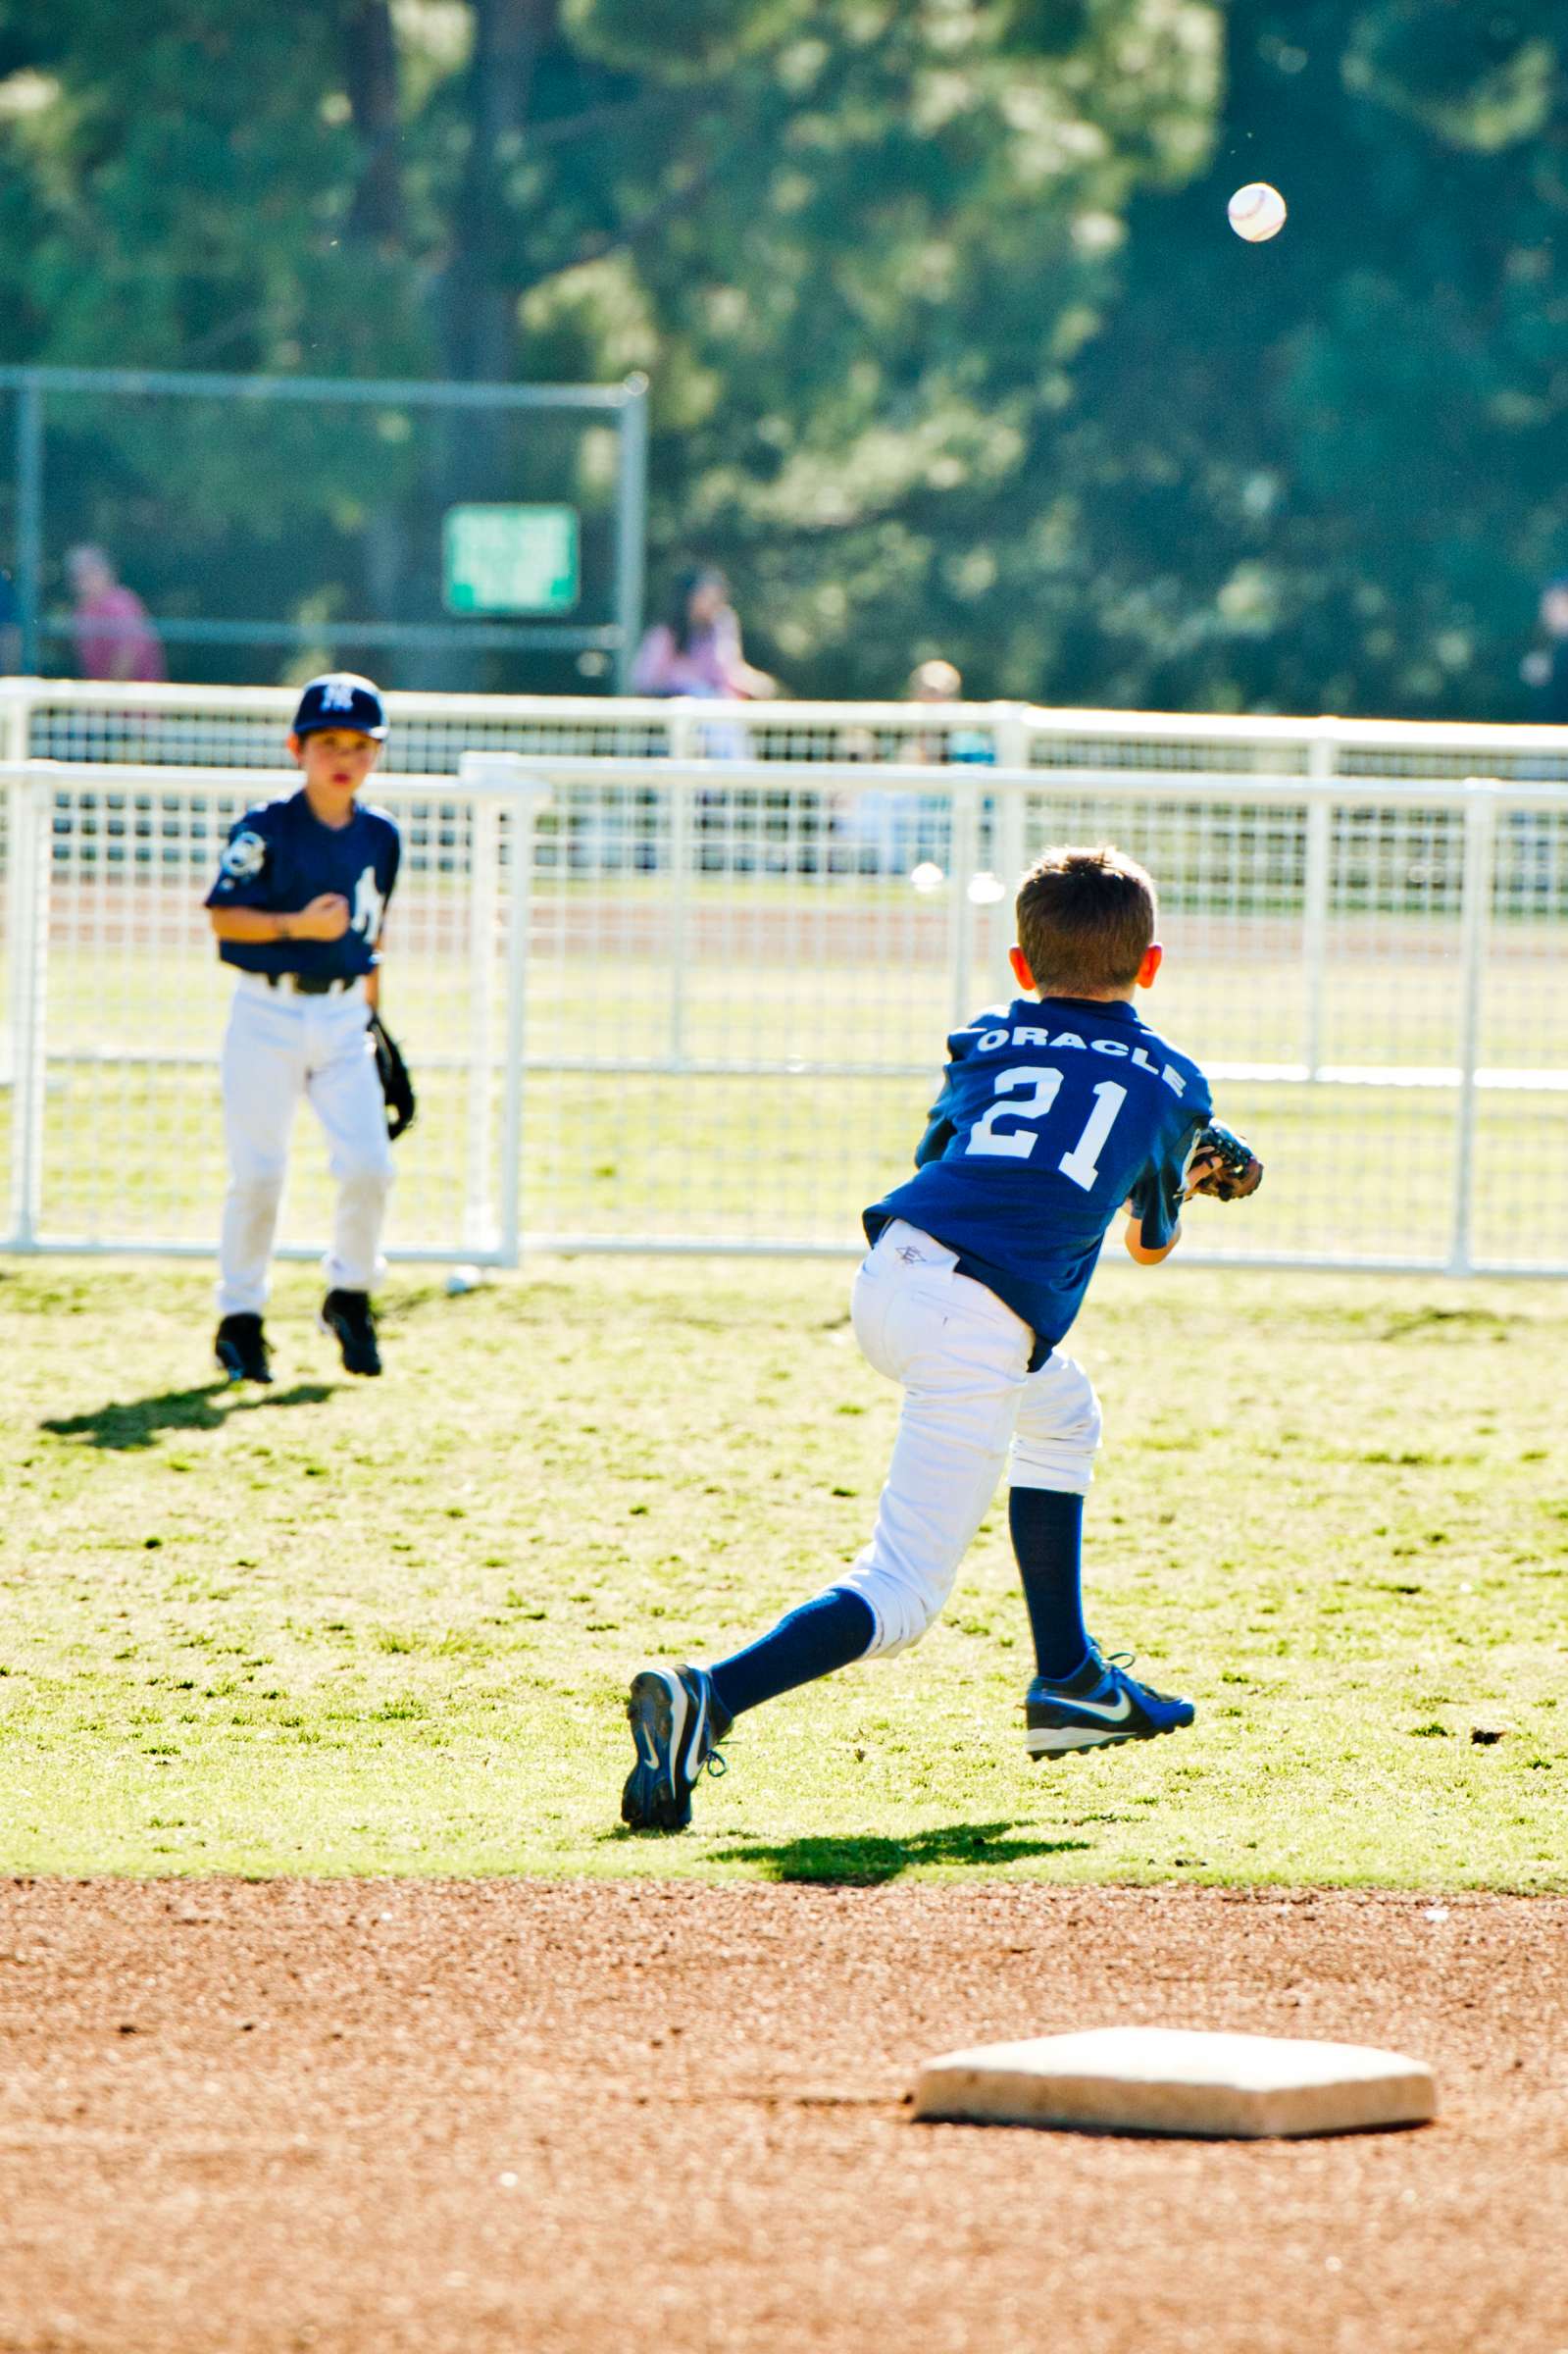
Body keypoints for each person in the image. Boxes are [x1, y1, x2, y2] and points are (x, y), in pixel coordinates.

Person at [621, 844, 1263, 1831]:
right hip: (980, 1318)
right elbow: (1146, 1245)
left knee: (1064, 1416)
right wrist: (1193, 1182)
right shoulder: (1173, 1078)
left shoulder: (987, 1037)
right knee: (905, 1591)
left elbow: (950, 1157)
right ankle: (710, 1695)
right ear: (1152, 964)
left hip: (893, 1275)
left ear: (1019, 965)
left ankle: (1070, 1681)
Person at [203, 674, 401, 1384]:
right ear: (297, 747)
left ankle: (349, 1296)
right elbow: (224, 913)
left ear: (376, 755)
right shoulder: (268, 826)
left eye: (358, 744)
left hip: (344, 1015)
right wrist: (294, 925)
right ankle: (241, 1318)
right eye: (326, 742)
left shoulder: (380, 835)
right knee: (258, 1173)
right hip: (267, 1011)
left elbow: (375, 933)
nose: (342, 757)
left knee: (370, 1166)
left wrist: (379, 1027)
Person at [632, 566, 776, 700]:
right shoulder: (666, 634)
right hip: (675, 712)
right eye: (707, 596)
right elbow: (644, 681)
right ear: (690, 597)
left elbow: (728, 670)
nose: (714, 603)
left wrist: (755, 683)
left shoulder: (721, 626)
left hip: (712, 706)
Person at [67, 545, 167, 684]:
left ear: (106, 572)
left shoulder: (120, 604)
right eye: (76, 575)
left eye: (90, 572)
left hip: (132, 700)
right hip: (100, 696)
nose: (82, 581)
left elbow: (128, 653)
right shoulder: (82, 609)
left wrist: (105, 697)